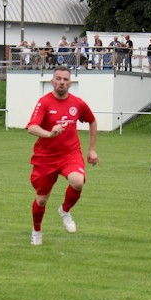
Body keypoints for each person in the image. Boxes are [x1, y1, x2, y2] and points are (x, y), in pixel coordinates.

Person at [26, 65, 99, 246]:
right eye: (58, 79)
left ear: (70, 83)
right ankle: (37, 230)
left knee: (78, 181)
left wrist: (91, 149)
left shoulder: (78, 103)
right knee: (42, 200)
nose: (61, 82)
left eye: (65, 79)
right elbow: (32, 127)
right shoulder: (44, 102)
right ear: (52, 82)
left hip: (70, 153)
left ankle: (65, 211)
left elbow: (92, 121)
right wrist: (50, 133)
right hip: (46, 157)